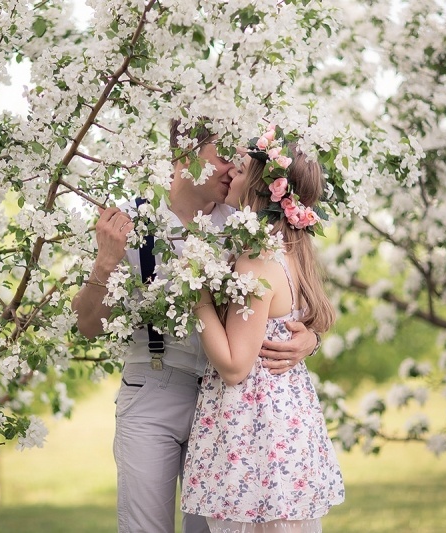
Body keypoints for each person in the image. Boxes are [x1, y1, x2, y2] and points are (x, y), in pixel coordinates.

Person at [71, 119, 321, 533]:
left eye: (239, 162)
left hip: (226, 399)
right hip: (154, 390)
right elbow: (88, 326)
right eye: (225, 157)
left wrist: (309, 339)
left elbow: (293, 293)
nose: (233, 169)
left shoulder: (244, 223)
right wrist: (105, 262)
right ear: (186, 151)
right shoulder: (127, 223)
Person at [180, 130, 345, 533]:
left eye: (242, 166)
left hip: (255, 432)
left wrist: (197, 293)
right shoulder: (291, 253)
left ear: (263, 186)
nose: (233, 169)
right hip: (285, 421)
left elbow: (236, 366)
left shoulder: (255, 261)